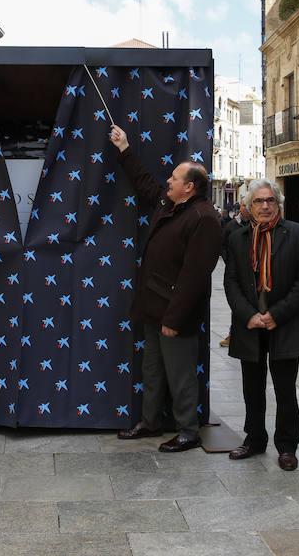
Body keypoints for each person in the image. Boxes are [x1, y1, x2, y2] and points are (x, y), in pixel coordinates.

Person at [109, 124, 222, 452]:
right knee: (152, 368)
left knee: (180, 374)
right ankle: (150, 422)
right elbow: (145, 183)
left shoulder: (205, 219)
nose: (168, 181)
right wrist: (125, 147)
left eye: (174, 178)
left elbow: (195, 276)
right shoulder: (171, 204)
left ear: (189, 187)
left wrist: (173, 319)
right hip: (152, 308)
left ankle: (188, 431)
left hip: (174, 314)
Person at [223, 178, 299, 471]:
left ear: (278, 204)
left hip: (285, 325)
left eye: (270, 201)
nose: (264, 206)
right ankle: (254, 439)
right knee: (252, 388)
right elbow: (232, 281)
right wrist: (248, 314)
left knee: (285, 390)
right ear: (248, 206)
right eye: (258, 201)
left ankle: (287, 447)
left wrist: (276, 314)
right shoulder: (237, 237)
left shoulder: (298, 234)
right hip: (249, 325)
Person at [219, 200, 252, 347]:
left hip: (254, 272)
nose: (247, 209)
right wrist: (230, 262)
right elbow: (224, 246)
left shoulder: (257, 224)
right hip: (237, 272)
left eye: (249, 205)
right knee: (237, 305)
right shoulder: (232, 226)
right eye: (244, 206)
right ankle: (233, 335)